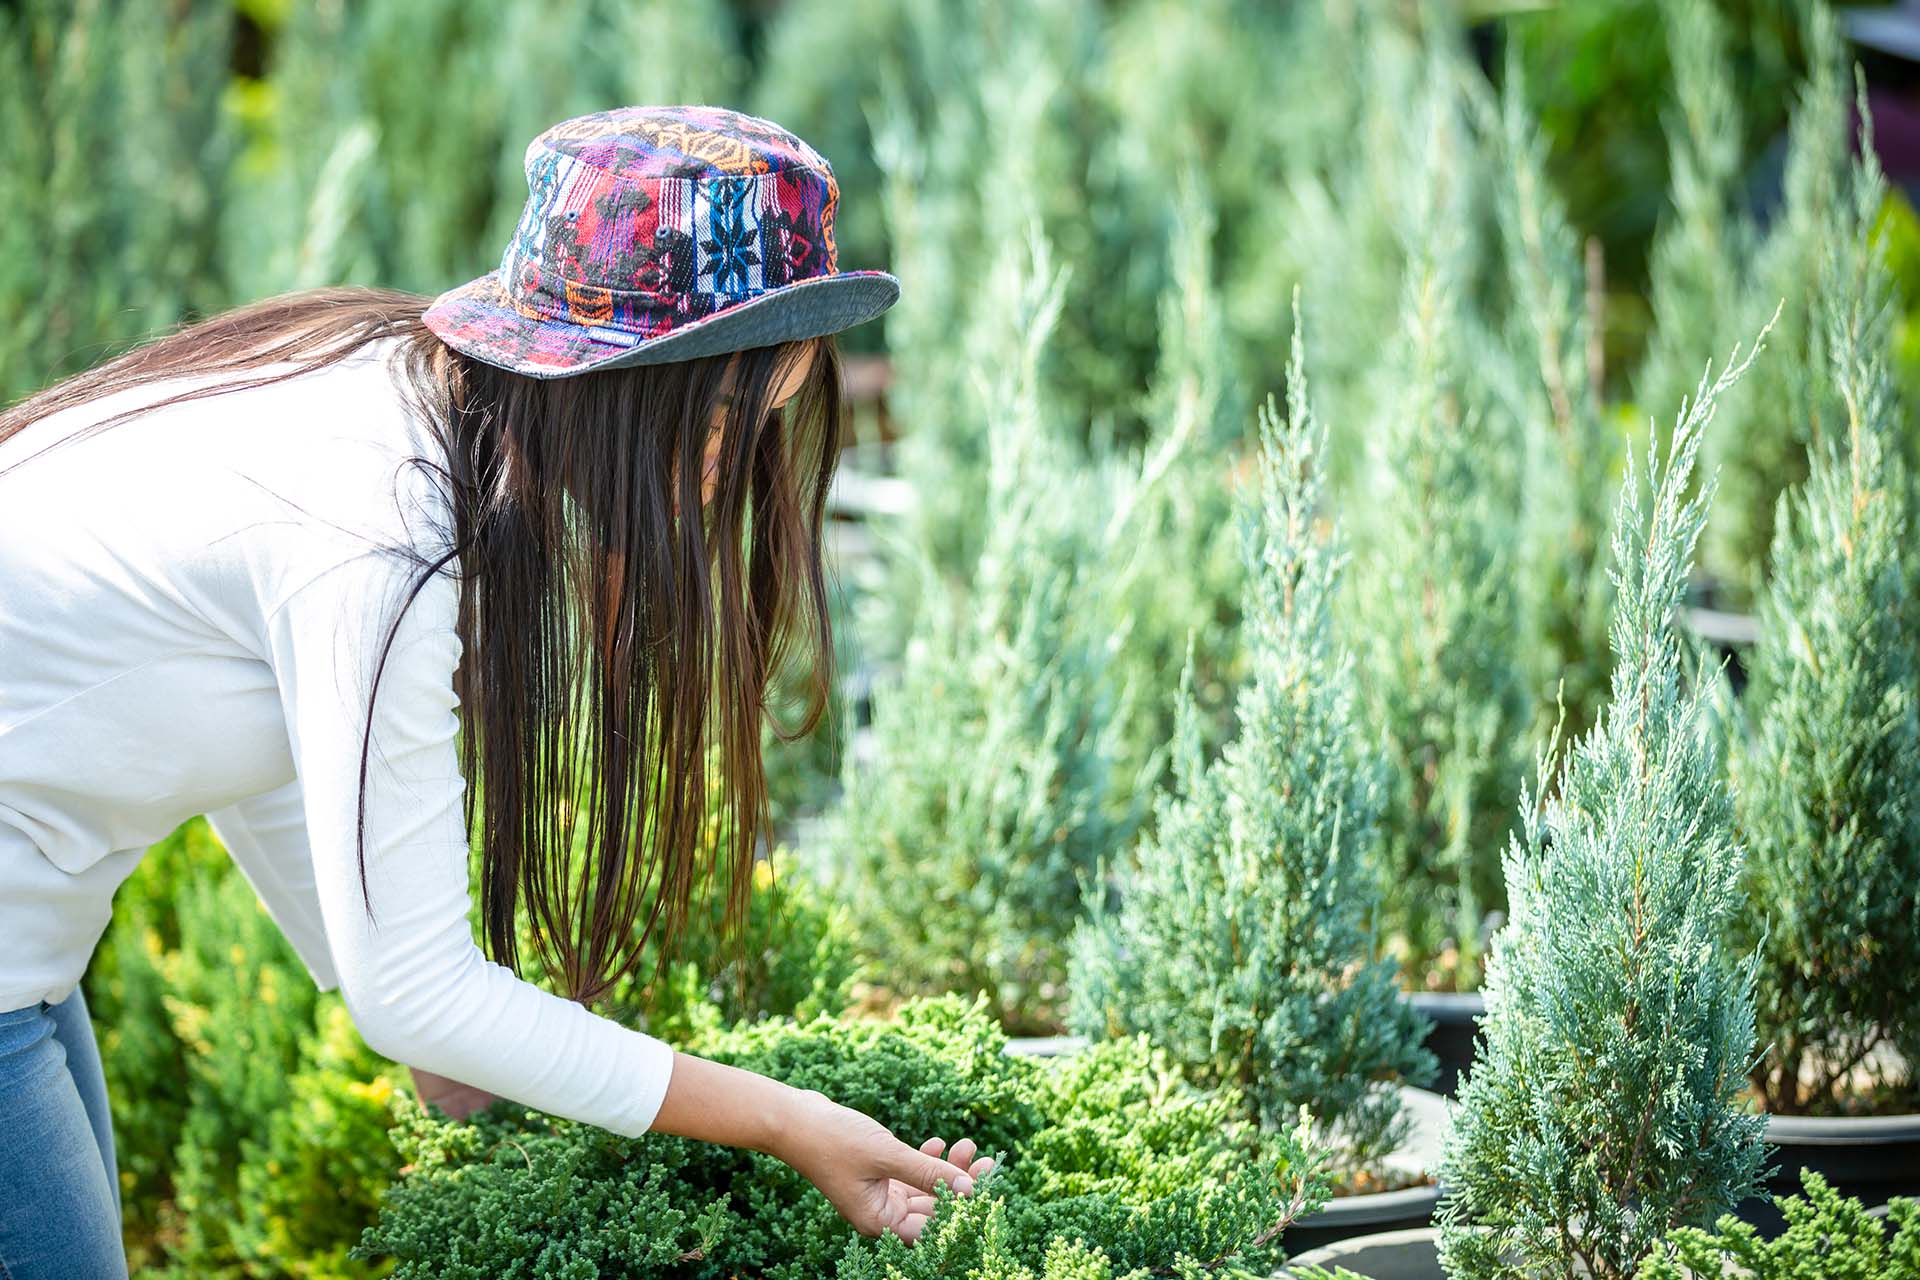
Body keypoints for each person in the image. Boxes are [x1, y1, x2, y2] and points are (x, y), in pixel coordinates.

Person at [0, 105, 992, 1280]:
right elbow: (414, 992)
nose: (729, 471)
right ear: (627, 386)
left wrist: (434, 1033)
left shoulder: (389, 392)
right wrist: (784, 1118)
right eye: (726, 417)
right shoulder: (383, 522)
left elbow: (260, 733)